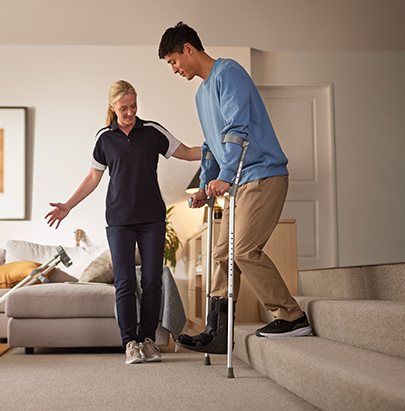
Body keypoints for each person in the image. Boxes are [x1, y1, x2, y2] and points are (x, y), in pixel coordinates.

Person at [158, 22, 312, 354]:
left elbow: (236, 129)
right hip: (239, 182)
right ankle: (217, 329)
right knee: (220, 255)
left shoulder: (228, 72)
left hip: (262, 174)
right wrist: (203, 185)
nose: (174, 69)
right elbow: (211, 145)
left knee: (242, 250)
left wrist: (225, 175)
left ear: (188, 49)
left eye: (173, 61)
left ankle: (292, 317)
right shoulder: (201, 94)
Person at [45, 80, 200, 364]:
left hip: (153, 219)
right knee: (126, 282)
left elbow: (188, 152)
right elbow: (93, 178)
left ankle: (148, 340)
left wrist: (217, 147)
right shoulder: (104, 138)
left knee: (153, 281)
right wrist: (67, 206)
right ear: (112, 107)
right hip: (119, 221)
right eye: (124, 108)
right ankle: (130, 342)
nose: (130, 113)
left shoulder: (152, 131)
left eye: (134, 106)